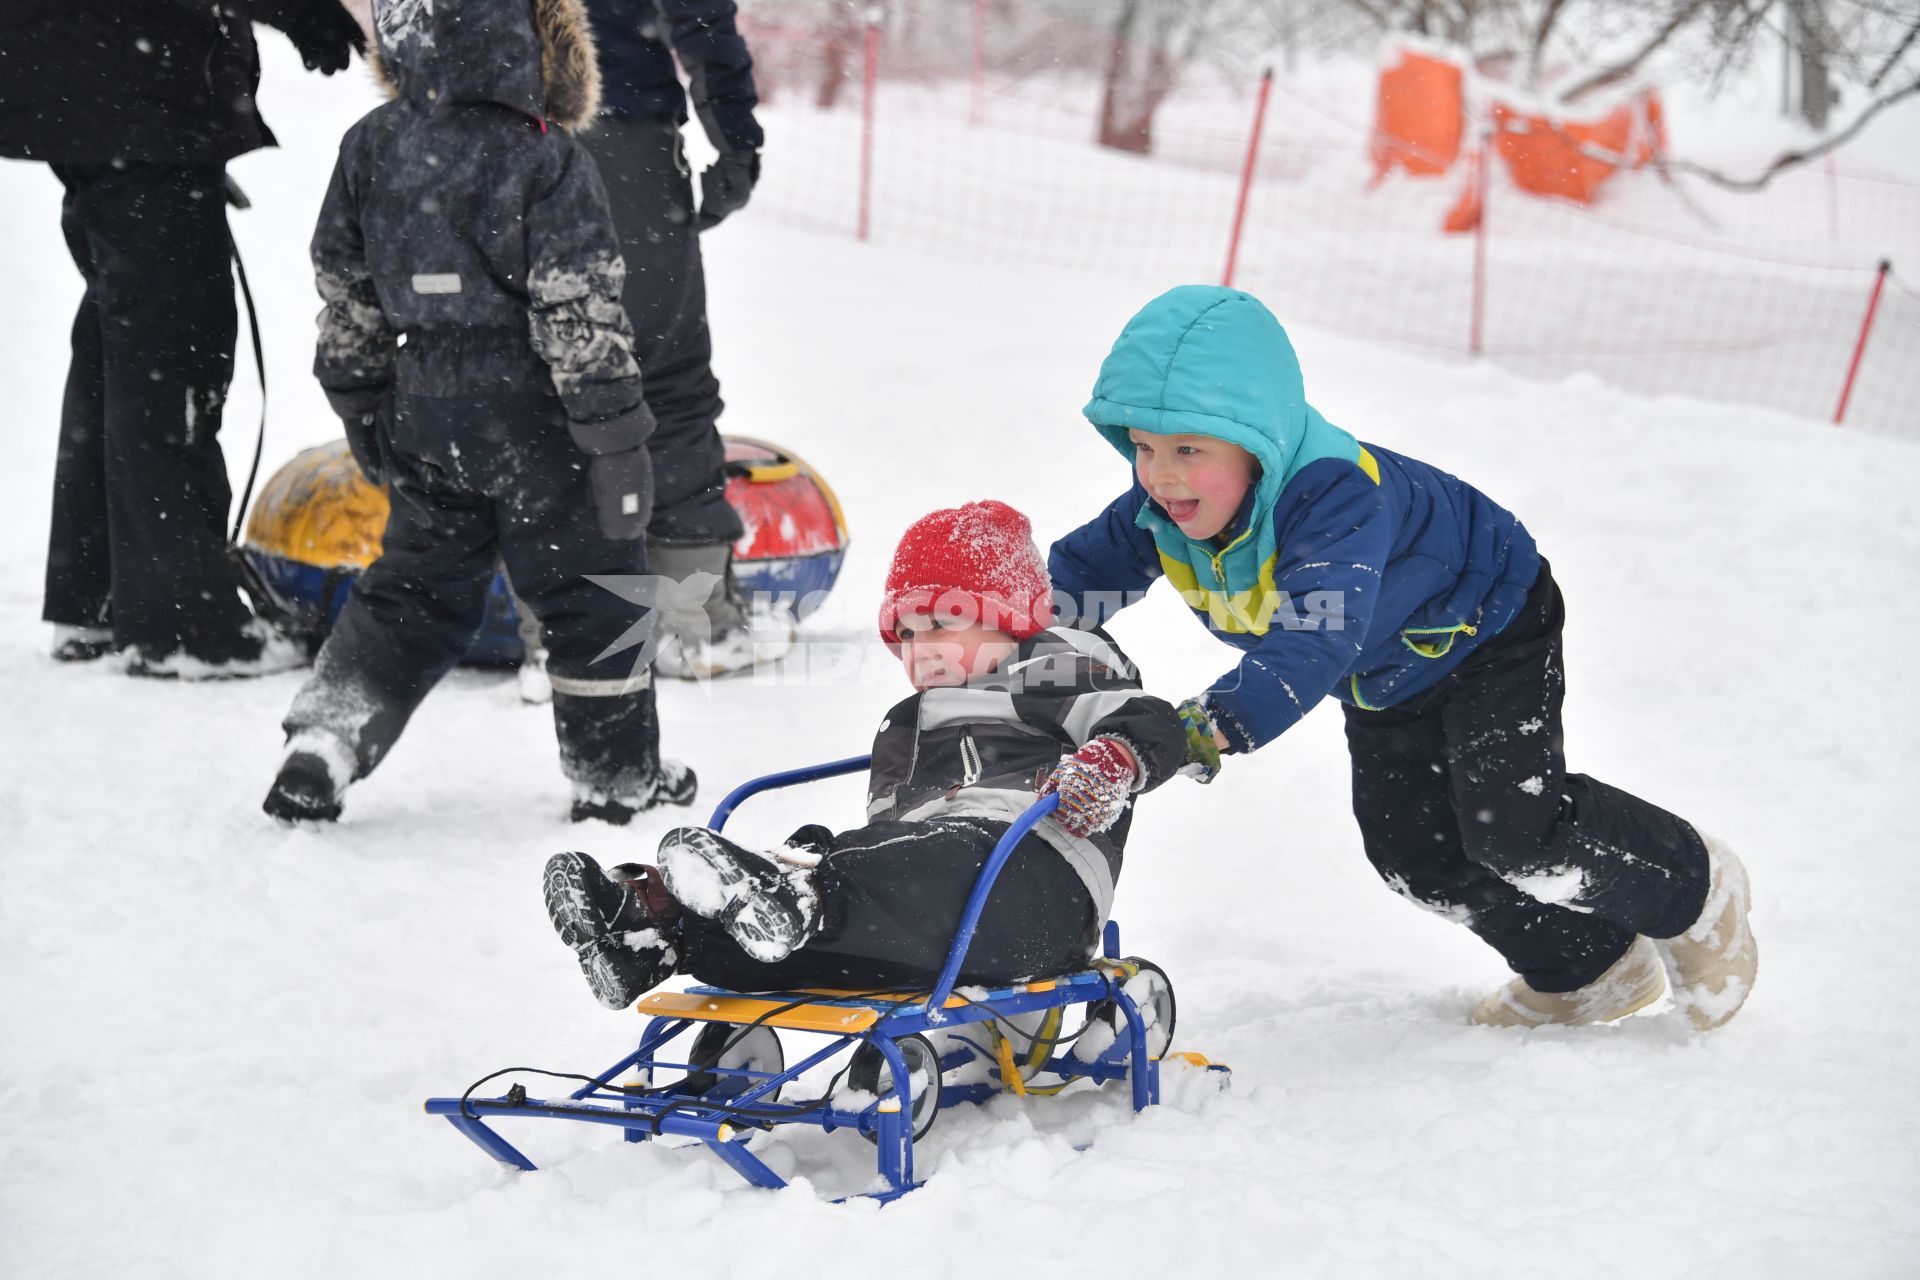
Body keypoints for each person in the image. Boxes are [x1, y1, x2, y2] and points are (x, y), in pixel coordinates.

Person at [1047, 285, 1757, 1032]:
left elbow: (1311, 641)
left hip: (1486, 626)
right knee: (1414, 856)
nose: (1162, 474)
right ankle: (1589, 967)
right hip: (1385, 673)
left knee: (1517, 829)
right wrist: (995, 638)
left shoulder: (1336, 499)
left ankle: (1697, 888)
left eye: (1190, 449)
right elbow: (1077, 585)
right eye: (1146, 448)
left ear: (1258, 441)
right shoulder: (1159, 512)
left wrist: (1197, 729)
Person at [261, 0, 692, 826]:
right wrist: (616, 437)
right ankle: (615, 773)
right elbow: (578, 312)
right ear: (541, 44)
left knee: (414, 590)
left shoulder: (372, 144)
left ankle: (326, 736)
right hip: (542, 424)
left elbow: (345, 288)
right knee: (597, 591)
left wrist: (358, 397)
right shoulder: (545, 154)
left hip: (425, 409)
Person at [543, 500, 1188, 1009]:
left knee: (928, 860)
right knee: (828, 883)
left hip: (1032, 888)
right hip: (940, 914)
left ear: (1011, 622)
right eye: (904, 634)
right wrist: (822, 852)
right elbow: (891, 842)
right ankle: (656, 929)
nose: (919, 648)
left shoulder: (1051, 673)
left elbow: (1150, 721)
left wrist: (1116, 759)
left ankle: (794, 897)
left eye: (942, 624)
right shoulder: (906, 725)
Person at [1, 0, 364, 675]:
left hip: (94, 78)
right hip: (128, 79)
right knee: (171, 353)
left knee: (124, 338)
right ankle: (185, 628)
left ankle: (97, 597)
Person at [574, 0, 791, 681]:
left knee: (540, 375)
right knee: (661, 370)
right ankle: (697, 626)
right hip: (618, 134)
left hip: (493, 135)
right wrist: (735, 142)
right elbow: (697, 18)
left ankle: (560, 629)